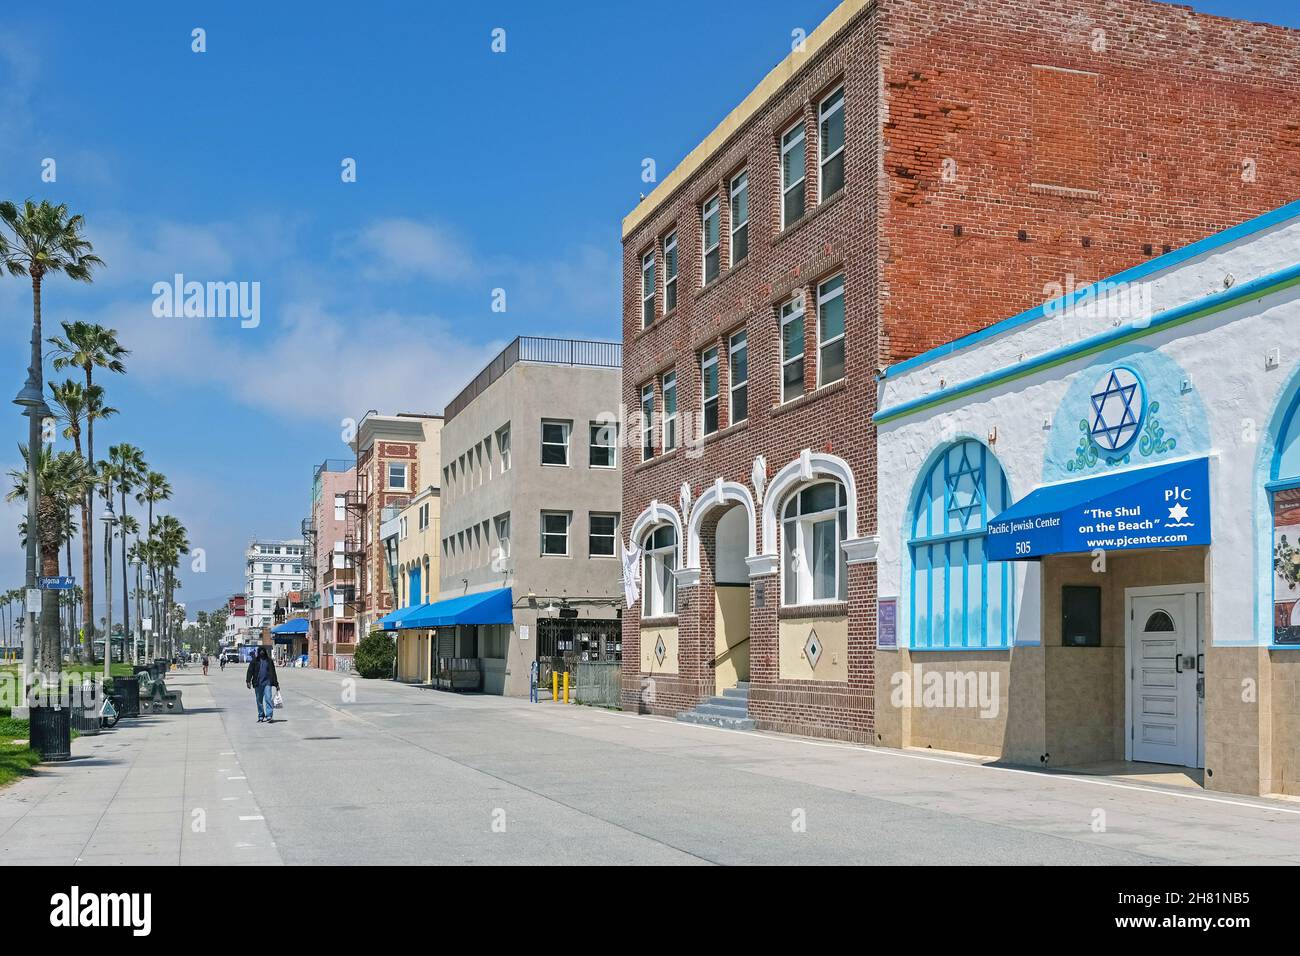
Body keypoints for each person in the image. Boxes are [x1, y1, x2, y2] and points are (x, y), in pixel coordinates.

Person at [245, 646, 280, 723]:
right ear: (258, 652)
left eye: (263, 651)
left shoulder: (269, 661)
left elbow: (273, 672)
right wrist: (248, 681)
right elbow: (250, 671)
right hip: (258, 684)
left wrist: (276, 684)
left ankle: (269, 716)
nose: (262, 652)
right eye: (260, 651)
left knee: (268, 699)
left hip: (267, 683)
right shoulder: (255, 661)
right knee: (259, 700)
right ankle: (261, 715)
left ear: (265, 652)